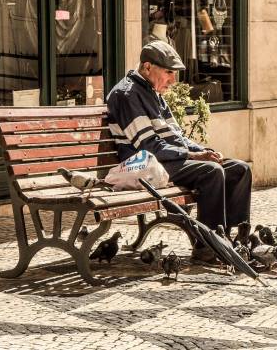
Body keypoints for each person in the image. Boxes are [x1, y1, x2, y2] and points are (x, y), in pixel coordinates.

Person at [106, 41, 252, 263]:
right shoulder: (127, 95)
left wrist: (203, 150)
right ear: (147, 67)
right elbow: (148, 146)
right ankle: (207, 246)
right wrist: (193, 156)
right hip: (144, 166)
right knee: (210, 172)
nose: (173, 81)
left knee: (239, 169)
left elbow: (177, 136)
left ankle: (233, 240)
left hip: (164, 160)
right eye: (168, 73)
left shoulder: (153, 92)